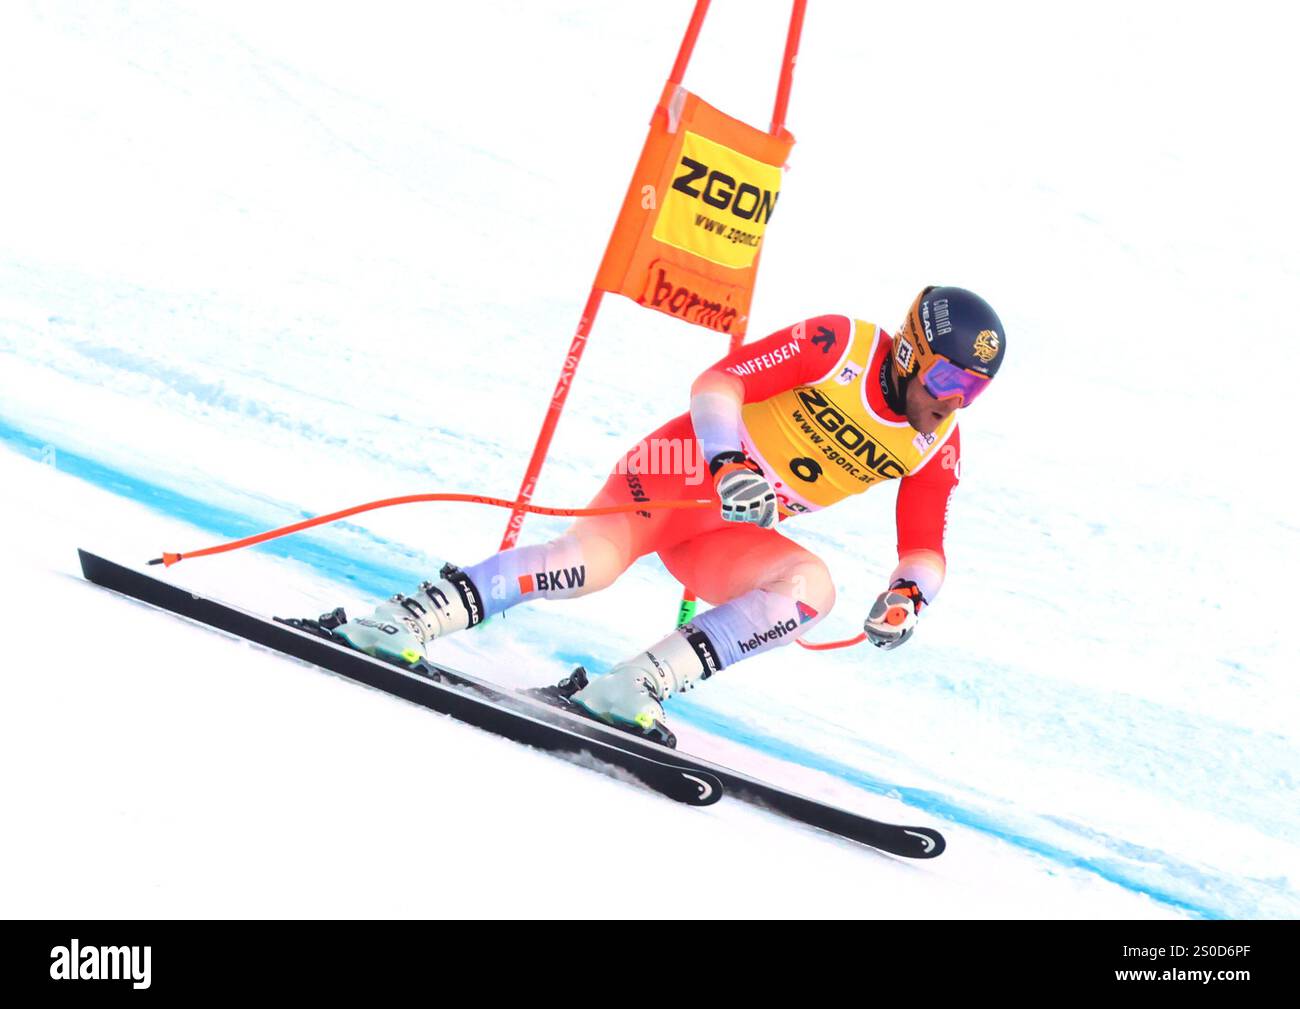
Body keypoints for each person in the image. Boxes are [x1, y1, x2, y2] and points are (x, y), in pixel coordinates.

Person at [335, 286, 1006, 742]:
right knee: (585, 565)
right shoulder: (841, 347)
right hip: (673, 476)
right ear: (912, 351)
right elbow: (719, 381)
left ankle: (632, 685)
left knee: (811, 591)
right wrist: (727, 463)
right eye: (949, 380)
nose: (954, 402)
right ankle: (401, 619)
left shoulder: (935, 440)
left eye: (973, 391)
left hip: (725, 533)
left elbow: (925, 542)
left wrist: (908, 595)